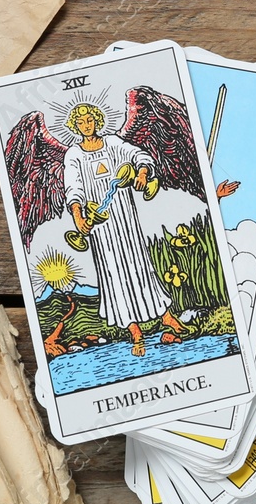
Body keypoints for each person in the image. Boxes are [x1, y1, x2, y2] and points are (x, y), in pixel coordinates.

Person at [62, 102, 186, 355]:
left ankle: (166, 317)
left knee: (139, 265)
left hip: (124, 218)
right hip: (99, 224)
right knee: (114, 273)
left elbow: (141, 156)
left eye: (90, 120)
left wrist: (142, 173)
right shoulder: (73, 155)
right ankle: (135, 332)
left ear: (97, 121)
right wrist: (78, 216)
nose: (87, 126)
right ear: (75, 127)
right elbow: (73, 188)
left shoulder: (113, 143)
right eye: (82, 122)